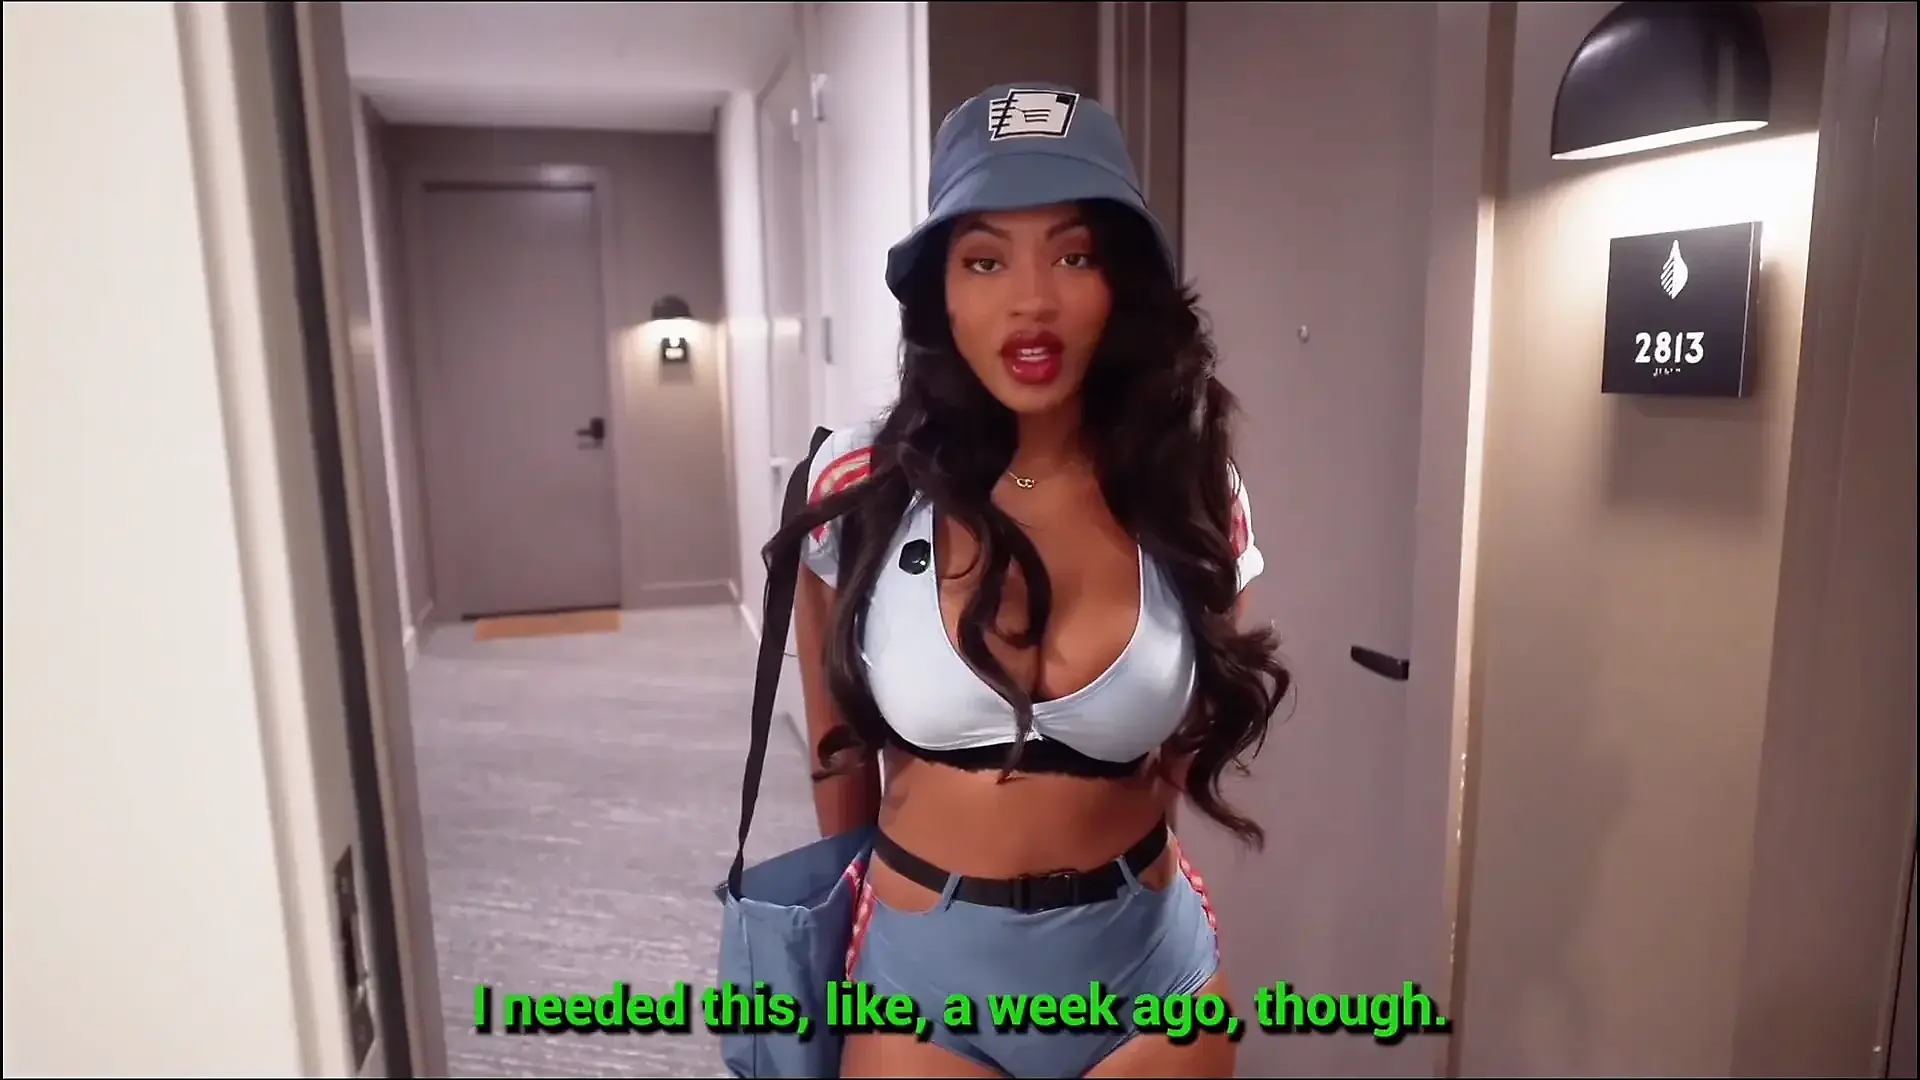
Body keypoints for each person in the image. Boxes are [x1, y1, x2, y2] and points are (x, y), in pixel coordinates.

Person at [763, 83, 1291, 1079]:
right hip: (921, 989)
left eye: (1074, 255)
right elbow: (838, 757)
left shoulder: (1192, 490)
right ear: (943, 293)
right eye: (986, 259)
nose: (1032, 300)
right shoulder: (857, 483)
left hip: (1146, 981)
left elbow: (1183, 745)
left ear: (1121, 283)